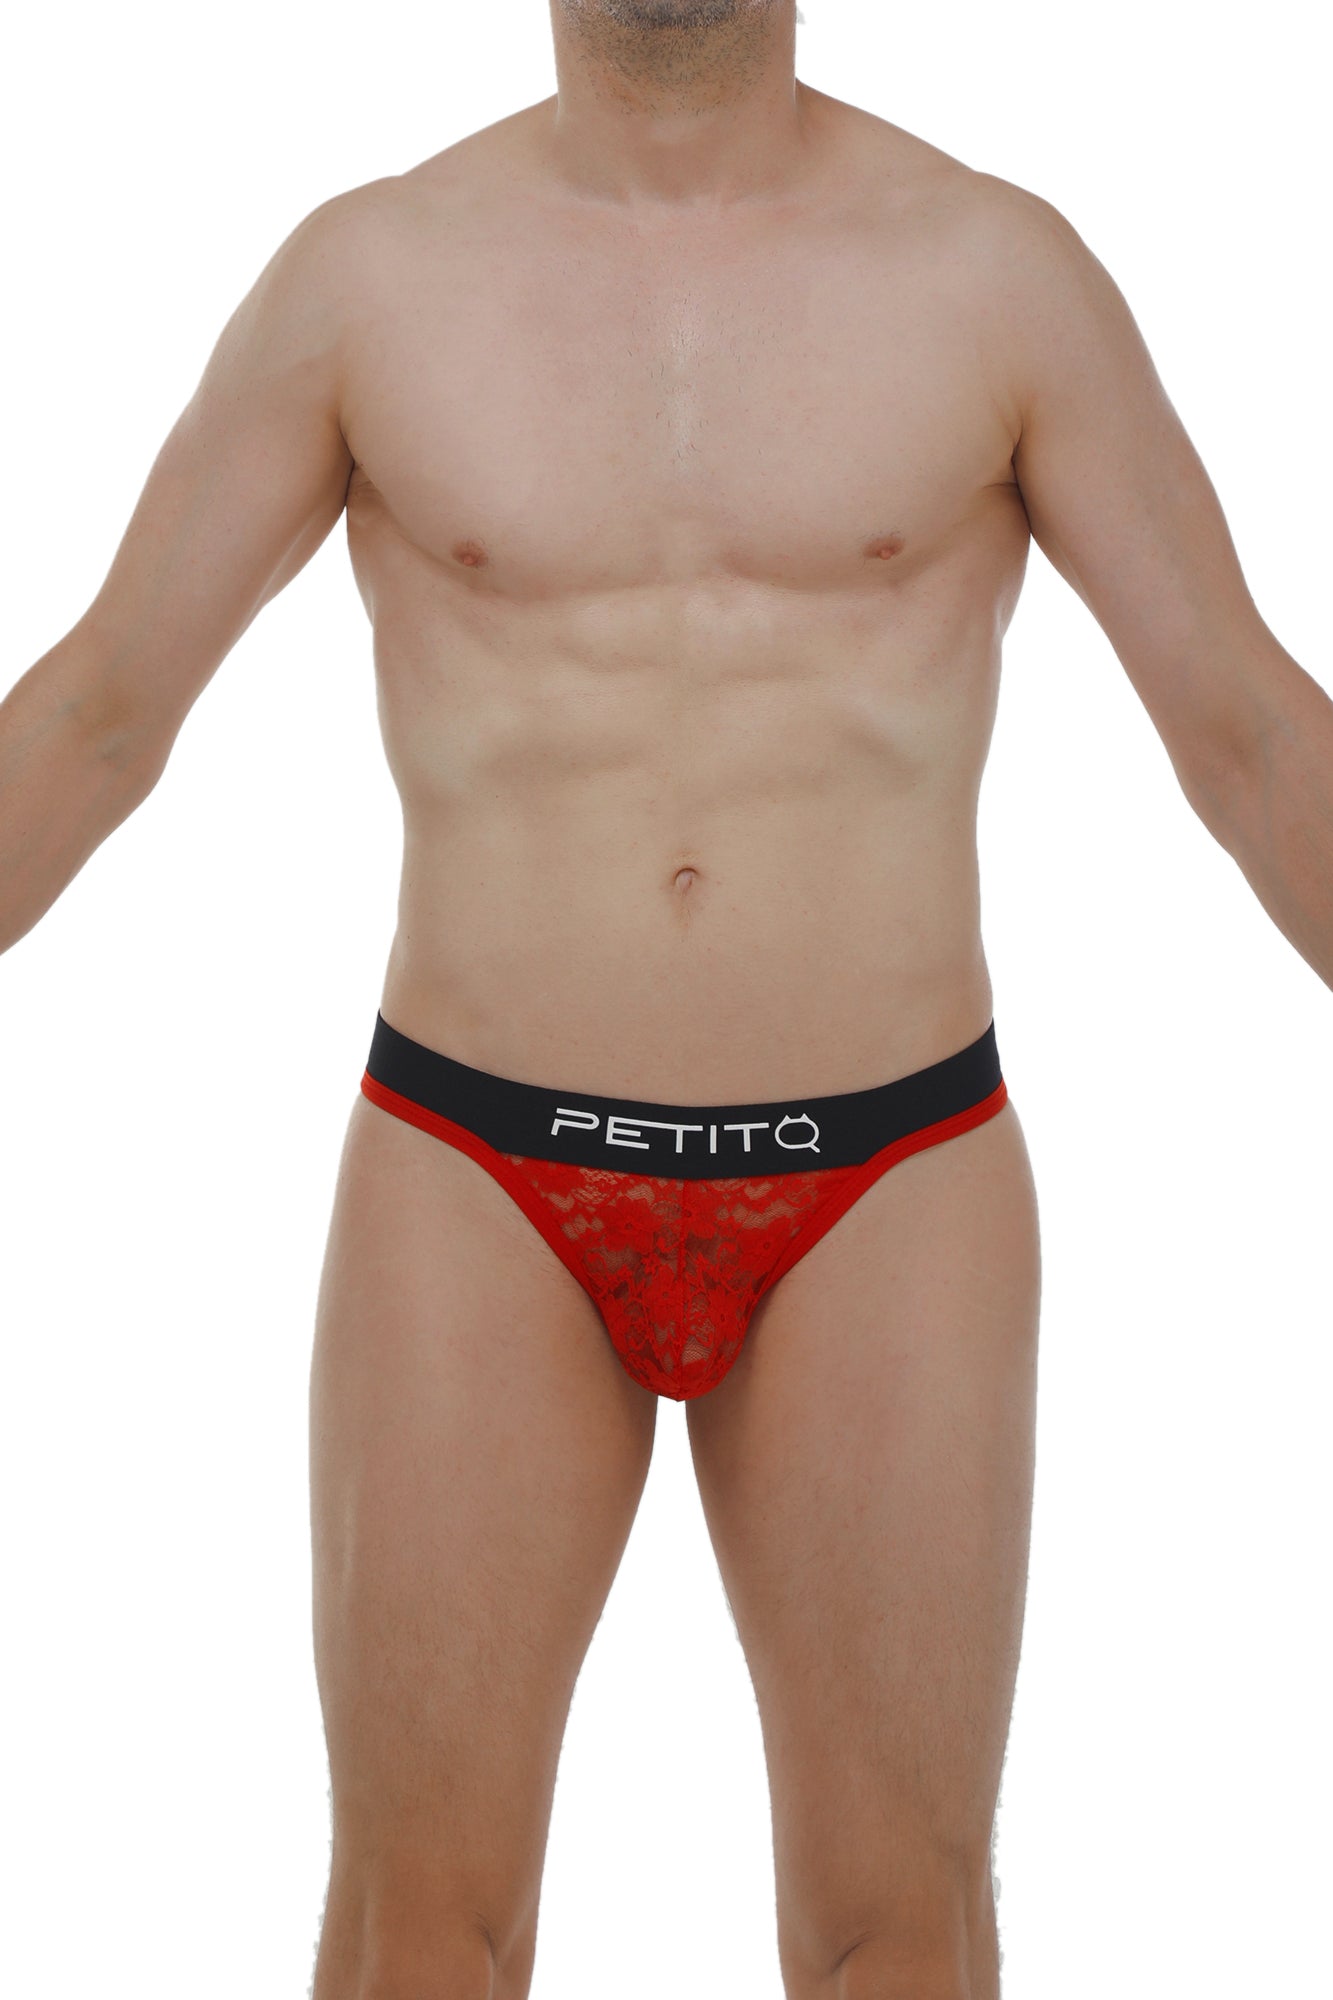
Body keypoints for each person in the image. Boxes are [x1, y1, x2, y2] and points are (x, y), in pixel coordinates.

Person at [2, 2, 1330, 1995]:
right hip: (476, 1168)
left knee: (902, 1929)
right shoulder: (371, 275)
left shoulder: (995, 271)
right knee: (415, 1930)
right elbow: (100, 714)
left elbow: (1247, 729)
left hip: (889, 1177)